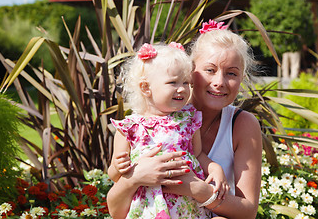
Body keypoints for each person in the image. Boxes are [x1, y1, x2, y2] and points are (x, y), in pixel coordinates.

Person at [107, 20, 262, 219]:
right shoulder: (144, 124)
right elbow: (116, 211)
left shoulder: (242, 124)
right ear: (190, 70)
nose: (219, 82)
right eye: (210, 70)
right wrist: (135, 177)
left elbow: (248, 212)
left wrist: (196, 188)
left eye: (231, 73)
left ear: (241, 78)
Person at [107, 42, 229, 219]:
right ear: (145, 88)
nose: (182, 89)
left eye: (186, 82)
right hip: (148, 207)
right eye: (173, 82)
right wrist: (119, 167)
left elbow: (198, 154)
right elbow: (114, 175)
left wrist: (215, 169)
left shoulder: (188, 119)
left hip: (186, 205)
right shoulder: (130, 127)